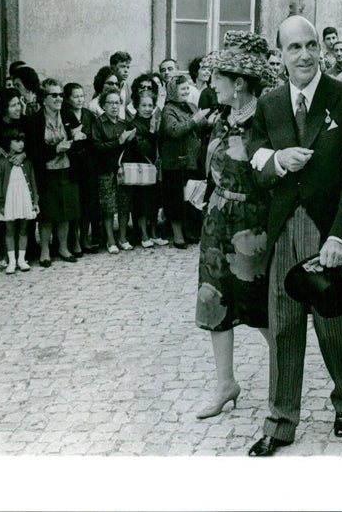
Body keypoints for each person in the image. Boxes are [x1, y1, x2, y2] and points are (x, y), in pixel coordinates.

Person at [246, 15, 342, 456]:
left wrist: (340, 237)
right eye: (293, 48)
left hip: (329, 230)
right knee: (283, 325)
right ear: (280, 55)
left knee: (334, 322)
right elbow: (255, 156)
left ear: (320, 48)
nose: (303, 55)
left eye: (310, 45)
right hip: (284, 230)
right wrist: (279, 160)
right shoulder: (269, 103)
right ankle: (280, 422)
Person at [192, 32, 275, 419]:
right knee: (214, 300)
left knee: (259, 307)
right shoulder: (222, 119)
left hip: (252, 226)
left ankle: (284, 380)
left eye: (217, 78)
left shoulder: (268, 119)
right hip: (216, 221)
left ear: (238, 83)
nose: (211, 84)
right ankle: (226, 384)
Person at [23, 78, 83, 266]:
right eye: (54, 95)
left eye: (60, 95)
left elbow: (79, 142)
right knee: (48, 214)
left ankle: (63, 248)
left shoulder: (67, 116)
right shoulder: (35, 121)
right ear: (44, 99)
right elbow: (33, 151)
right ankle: (45, 251)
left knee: (65, 212)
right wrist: (56, 149)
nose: (59, 99)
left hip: (66, 171)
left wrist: (79, 139)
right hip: (46, 173)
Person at [159, 74, 211, 248]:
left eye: (187, 88)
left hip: (191, 160)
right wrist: (194, 120)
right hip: (175, 162)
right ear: (173, 90)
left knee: (191, 197)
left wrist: (208, 122)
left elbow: (199, 126)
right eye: (182, 89)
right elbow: (173, 130)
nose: (186, 92)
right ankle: (177, 235)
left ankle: (190, 232)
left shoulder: (190, 106)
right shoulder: (168, 109)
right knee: (175, 199)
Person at [91, 86, 136, 253]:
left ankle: (123, 238)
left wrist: (131, 140)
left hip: (123, 171)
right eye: (110, 103)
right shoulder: (98, 123)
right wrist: (119, 142)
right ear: (104, 105)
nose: (114, 106)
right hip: (106, 171)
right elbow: (97, 147)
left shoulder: (125, 123)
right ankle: (110, 240)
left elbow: (131, 148)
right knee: (108, 208)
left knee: (124, 206)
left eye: (117, 103)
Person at [63, 82, 103, 253]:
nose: (79, 99)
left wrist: (85, 137)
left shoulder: (88, 115)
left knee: (87, 204)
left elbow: (94, 138)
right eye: (75, 96)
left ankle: (84, 238)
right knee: (73, 204)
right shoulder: (63, 115)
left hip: (87, 164)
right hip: (70, 164)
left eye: (81, 96)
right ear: (67, 98)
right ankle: (73, 240)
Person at [127, 75, 166, 248]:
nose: (148, 109)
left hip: (154, 169)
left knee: (153, 203)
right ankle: (143, 235)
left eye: (150, 105)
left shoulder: (154, 121)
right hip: (140, 169)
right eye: (144, 105)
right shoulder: (134, 124)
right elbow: (142, 149)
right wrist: (151, 133)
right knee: (141, 204)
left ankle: (153, 233)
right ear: (136, 106)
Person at [0, 127, 39, 274]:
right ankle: (11, 261)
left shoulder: (27, 162)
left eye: (22, 141)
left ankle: (21, 259)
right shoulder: (2, 163)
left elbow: (32, 181)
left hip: (24, 197)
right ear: (8, 143)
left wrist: (35, 201)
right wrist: (0, 202)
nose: (21, 144)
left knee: (23, 229)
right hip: (9, 200)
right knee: (9, 230)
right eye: (17, 141)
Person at [110, 51, 133, 115]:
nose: (126, 70)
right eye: (122, 66)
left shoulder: (128, 88)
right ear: (113, 68)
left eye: (128, 67)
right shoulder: (106, 86)